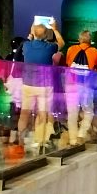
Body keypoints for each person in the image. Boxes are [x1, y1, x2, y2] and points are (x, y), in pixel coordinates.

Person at [18, 19, 64, 152]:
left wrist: (31, 32)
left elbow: (27, 41)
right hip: (44, 84)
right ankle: (39, 142)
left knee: (24, 114)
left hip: (28, 83)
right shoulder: (49, 47)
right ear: (45, 35)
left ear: (33, 33)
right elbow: (61, 43)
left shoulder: (26, 45)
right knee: (42, 114)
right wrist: (54, 29)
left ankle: (20, 142)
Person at [64, 30, 97, 145]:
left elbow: (68, 64)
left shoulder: (71, 49)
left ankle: (72, 139)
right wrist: (93, 69)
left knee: (72, 113)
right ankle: (81, 135)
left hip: (71, 85)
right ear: (90, 40)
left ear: (79, 39)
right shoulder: (94, 51)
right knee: (88, 112)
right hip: (85, 87)